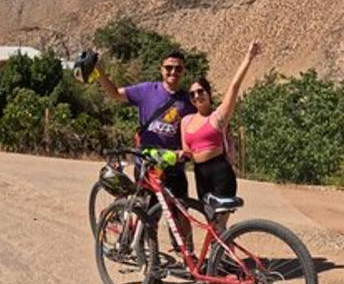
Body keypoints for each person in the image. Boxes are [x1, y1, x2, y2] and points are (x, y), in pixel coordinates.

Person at [95, 49, 195, 201]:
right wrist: (100, 73)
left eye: (178, 68)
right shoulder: (147, 90)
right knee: (146, 216)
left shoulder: (189, 101)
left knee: (180, 218)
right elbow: (115, 93)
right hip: (147, 164)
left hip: (174, 166)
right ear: (161, 69)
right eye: (168, 68)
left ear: (184, 71)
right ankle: (125, 220)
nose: (173, 72)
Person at [180, 41, 260, 220]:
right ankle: (218, 249)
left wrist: (249, 57)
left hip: (220, 173)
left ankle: (225, 247)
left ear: (208, 93)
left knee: (220, 225)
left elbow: (234, 87)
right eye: (192, 94)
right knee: (210, 223)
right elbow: (186, 151)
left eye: (200, 91)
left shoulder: (218, 117)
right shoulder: (185, 122)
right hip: (200, 174)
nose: (196, 96)